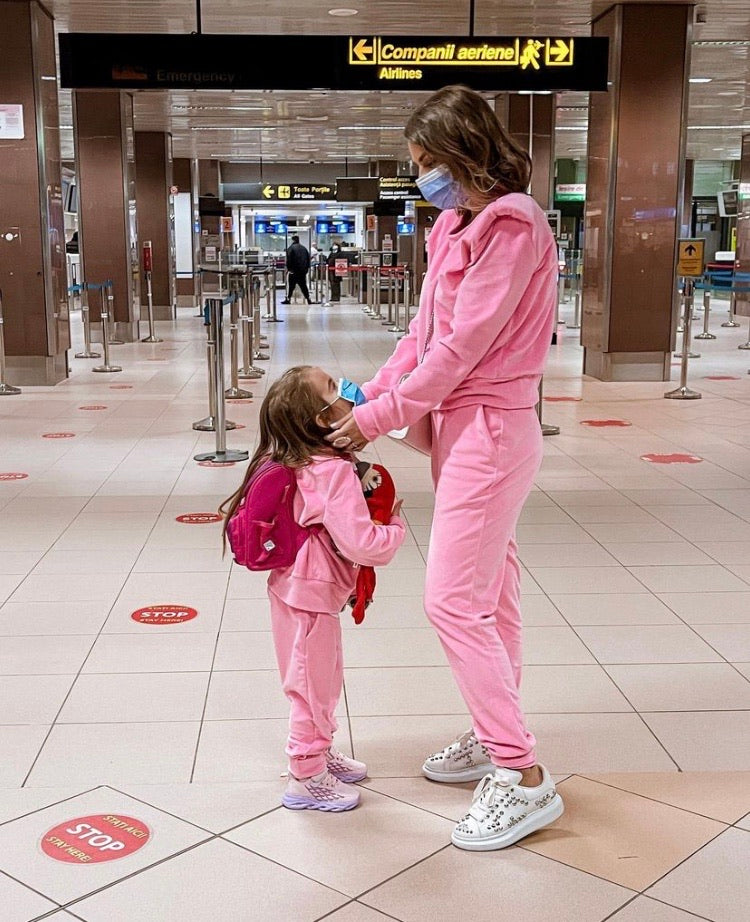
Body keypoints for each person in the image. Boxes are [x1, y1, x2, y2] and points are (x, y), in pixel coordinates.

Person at [326, 84, 564, 850]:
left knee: (453, 602)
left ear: (466, 152)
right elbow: (422, 337)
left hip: (492, 430)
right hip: (465, 432)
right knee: (492, 591)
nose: (422, 176)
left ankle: (522, 775)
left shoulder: (512, 224)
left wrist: (376, 420)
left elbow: (462, 350)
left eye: (429, 160)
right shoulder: (455, 226)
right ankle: (497, 738)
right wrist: (371, 395)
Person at [220, 366, 406, 812]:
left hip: (297, 588)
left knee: (319, 677)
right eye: (332, 387)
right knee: (311, 685)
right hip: (310, 595)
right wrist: (395, 526)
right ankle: (305, 776)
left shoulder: (300, 460)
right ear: (323, 419)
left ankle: (320, 749)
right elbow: (363, 545)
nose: (346, 387)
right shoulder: (334, 473)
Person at [282, 235, 313, 305]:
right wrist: (306, 269)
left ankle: (288, 299)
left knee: (291, 286)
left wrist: (289, 269)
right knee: (303, 286)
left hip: (294, 270)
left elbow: (289, 259)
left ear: (293, 240)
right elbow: (308, 259)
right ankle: (308, 299)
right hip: (302, 271)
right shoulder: (304, 248)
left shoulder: (291, 248)